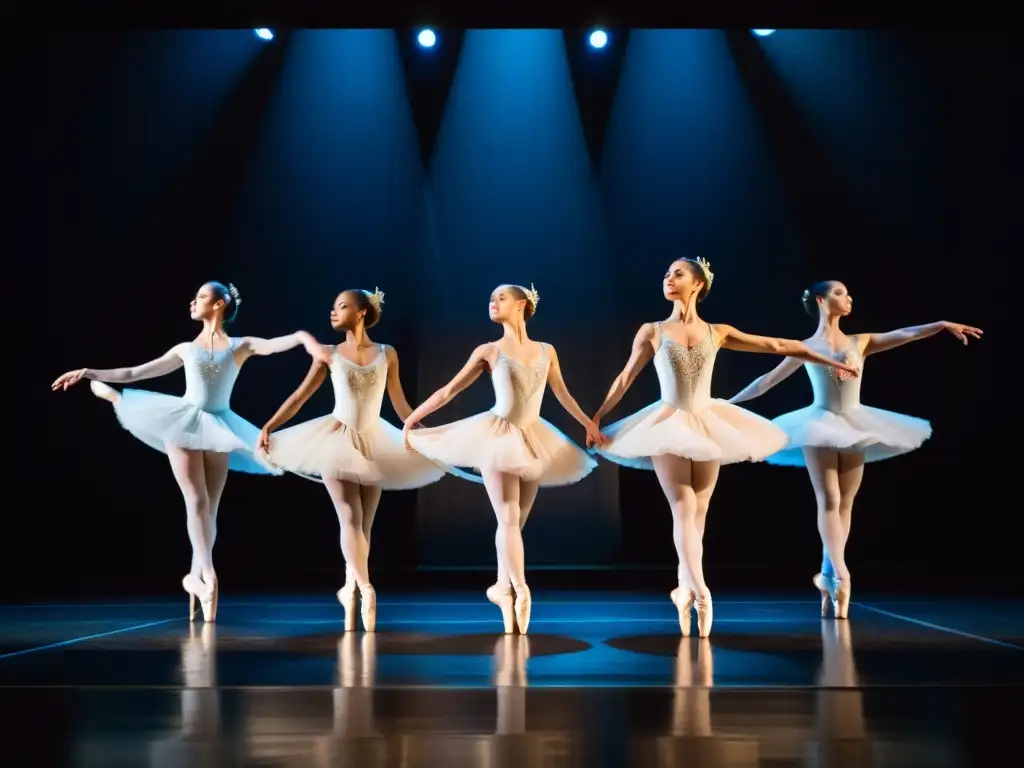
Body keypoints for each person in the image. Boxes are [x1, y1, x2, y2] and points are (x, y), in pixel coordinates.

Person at [590, 259, 860, 638]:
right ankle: (701, 591)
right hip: (666, 424)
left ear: (698, 284)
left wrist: (826, 359)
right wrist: (596, 417)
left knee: (698, 513)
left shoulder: (717, 331)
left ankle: (684, 589)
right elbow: (625, 376)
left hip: (708, 422)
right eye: (666, 273)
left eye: (677, 273)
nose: (668, 278)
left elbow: (777, 345)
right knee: (683, 509)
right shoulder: (652, 330)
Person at [51, 281, 331, 622]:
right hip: (183, 421)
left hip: (220, 425)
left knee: (210, 507)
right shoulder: (185, 348)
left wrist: (306, 339)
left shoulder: (240, 346)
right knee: (196, 501)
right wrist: (87, 371)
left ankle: (196, 578)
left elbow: (274, 345)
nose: (192, 302)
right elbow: (135, 372)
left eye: (200, 297)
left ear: (219, 304)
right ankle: (209, 574)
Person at [728, 280, 982, 618]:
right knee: (829, 498)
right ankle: (842, 573)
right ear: (821, 300)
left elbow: (903, 334)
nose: (847, 298)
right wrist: (727, 403)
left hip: (855, 423)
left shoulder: (859, 342)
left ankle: (829, 574)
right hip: (818, 424)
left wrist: (940, 325)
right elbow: (766, 381)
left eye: (847, 294)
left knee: (845, 503)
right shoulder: (804, 347)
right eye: (839, 293)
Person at [401, 283, 606, 635]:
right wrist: (411, 418)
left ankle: (502, 587)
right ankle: (522, 589)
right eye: (491, 298)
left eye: (500, 298)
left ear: (522, 305)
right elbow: (449, 390)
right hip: (497, 438)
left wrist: (588, 422)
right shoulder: (489, 350)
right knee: (509, 520)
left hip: (533, 440)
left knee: (514, 523)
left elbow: (561, 393)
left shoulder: (546, 351)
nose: (492, 303)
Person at [256, 288, 446, 632]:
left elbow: (401, 404)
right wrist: (271, 425)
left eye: (341, 306)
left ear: (361, 313)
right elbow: (300, 396)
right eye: (332, 307)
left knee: (362, 526)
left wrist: (422, 432)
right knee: (350, 517)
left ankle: (351, 589)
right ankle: (366, 587)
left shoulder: (387, 353)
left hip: (375, 440)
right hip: (336, 439)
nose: (333, 312)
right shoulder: (328, 354)